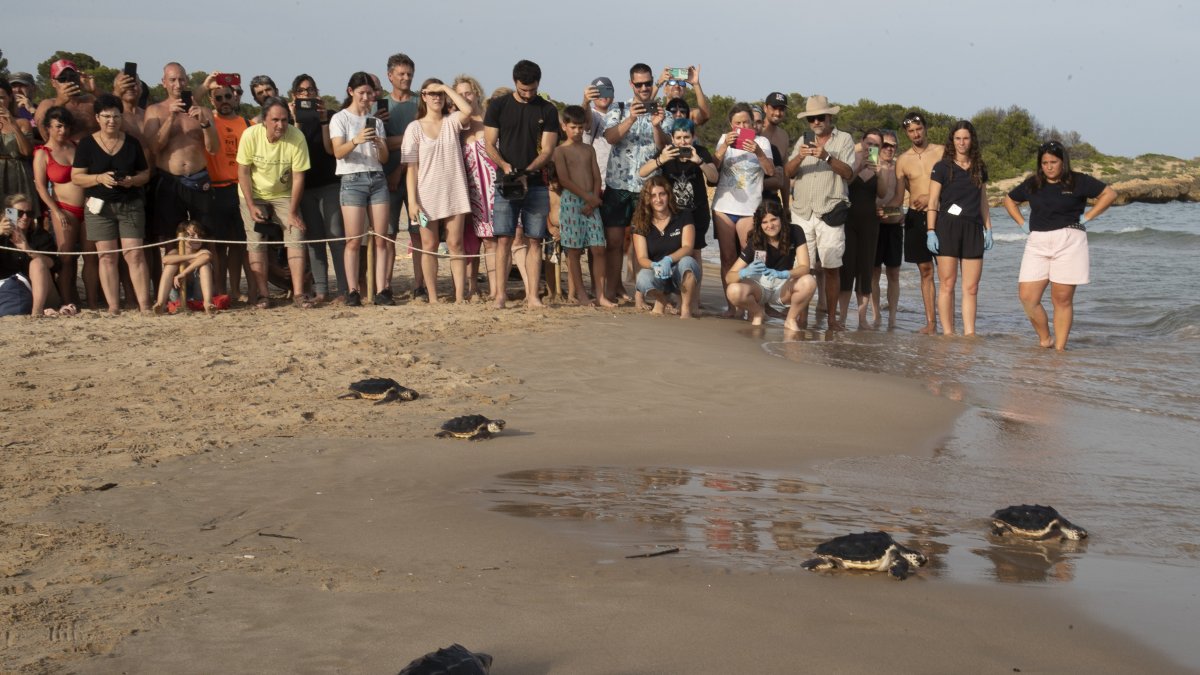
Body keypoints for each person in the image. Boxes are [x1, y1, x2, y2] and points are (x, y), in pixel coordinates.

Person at [1003, 140, 1117, 350]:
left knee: (1061, 299)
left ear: (1063, 161)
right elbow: (1009, 200)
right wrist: (1022, 223)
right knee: (1027, 297)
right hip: (1037, 242)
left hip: (1070, 241)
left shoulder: (1078, 181)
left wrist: (1089, 216)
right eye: (1044, 162)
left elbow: (1109, 194)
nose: (1049, 166)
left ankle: (1060, 351)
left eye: (1053, 162)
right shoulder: (1033, 183)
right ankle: (1045, 338)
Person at [483, 60, 559, 309]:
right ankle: (500, 295)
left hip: (536, 183)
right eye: (523, 90)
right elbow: (489, 144)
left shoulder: (547, 110)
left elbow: (548, 149)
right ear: (515, 82)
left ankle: (533, 296)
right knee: (504, 239)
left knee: (534, 239)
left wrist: (527, 172)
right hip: (506, 181)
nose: (528, 94)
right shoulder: (498, 105)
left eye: (532, 90)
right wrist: (506, 168)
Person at [70, 94, 153, 313]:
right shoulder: (87, 144)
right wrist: (99, 178)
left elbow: (145, 174)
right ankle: (113, 306)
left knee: (134, 254)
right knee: (106, 257)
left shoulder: (132, 142)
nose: (111, 121)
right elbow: (77, 177)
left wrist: (132, 181)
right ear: (97, 117)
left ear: (121, 117)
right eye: (106, 116)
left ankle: (145, 305)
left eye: (116, 116)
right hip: (99, 207)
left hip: (130, 204)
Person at [784, 95, 854, 331]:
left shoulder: (844, 139)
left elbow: (848, 173)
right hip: (802, 212)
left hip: (830, 211)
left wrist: (825, 156)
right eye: (811, 118)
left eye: (820, 117)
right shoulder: (802, 141)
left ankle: (832, 319)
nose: (816, 122)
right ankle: (800, 317)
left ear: (829, 117)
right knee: (804, 268)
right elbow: (788, 172)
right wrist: (801, 156)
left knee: (832, 267)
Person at [236, 96, 311, 309]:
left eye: (285, 120)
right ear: (264, 120)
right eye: (275, 120)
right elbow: (242, 172)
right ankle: (263, 294)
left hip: (283, 194)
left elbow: (299, 178)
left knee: (296, 234)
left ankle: (298, 294)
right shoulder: (250, 135)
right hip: (253, 193)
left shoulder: (297, 137)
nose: (280, 125)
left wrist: (293, 212)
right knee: (256, 240)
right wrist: (251, 206)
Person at [601, 63, 667, 306]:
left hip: (647, 188)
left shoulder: (663, 112)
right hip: (618, 185)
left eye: (648, 83)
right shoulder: (619, 108)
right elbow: (610, 137)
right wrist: (631, 118)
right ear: (631, 84)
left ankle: (641, 293)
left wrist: (657, 124)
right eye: (638, 84)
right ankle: (612, 290)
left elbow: (662, 147)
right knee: (615, 242)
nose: (644, 88)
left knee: (642, 243)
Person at [403, 79, 473, 304]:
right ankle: (432, 296)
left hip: (454, 190)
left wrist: (445, 89)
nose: (436, 97)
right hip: (427, 194)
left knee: (456, 244)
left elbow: (468, 110)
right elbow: (411, 168)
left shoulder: (452, 122)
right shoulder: (414, 127)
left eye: (439, 94)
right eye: (431, 93)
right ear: (423, 96)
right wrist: (412, 202)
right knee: (429, 246)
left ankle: (460, 296)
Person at [638, 118, 715, 314]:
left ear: (693, 137)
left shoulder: (701, 152)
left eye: (686, 137)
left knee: (694, 255)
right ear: (672, 138)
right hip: (670, 215)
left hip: (696, 212)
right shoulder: (667, 153)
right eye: (678, 137)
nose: (682, 142)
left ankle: (691, 302)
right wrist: (660, 160)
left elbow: (714, 177)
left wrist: (700, 162)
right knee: (668, 254)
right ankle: (666, 298)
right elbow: (642, 172)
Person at [926, 120, 991, 336]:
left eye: (966, 138)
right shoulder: (942, 167)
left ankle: (970, 334)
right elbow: (933, 202)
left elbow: (983, 201)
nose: (962, 142)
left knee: (971, 288)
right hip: (947, 228)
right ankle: (948, 334)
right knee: (947, 284)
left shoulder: (979, 167)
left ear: (972, 140)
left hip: (973, 229)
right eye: (958, 138)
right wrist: (931, 231)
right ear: (952, 141)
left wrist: (988, 229)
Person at [144, 63, 219, 245]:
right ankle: (180, 274)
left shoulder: (204, 111)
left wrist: (204, 124)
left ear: (187, 80)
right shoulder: (154, 111)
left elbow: (214, 148)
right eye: (172, 80)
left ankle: (206, 273)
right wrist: (170, 118)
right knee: (171, 240)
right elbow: (153, 147)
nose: (178, 84)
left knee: (206, 240)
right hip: (169, 182)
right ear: (164, 83)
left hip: (199, 180)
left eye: (181, 79)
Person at [712, 102, 775, 312]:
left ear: (752, 123)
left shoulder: (762, 141)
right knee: (727, 257)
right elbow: (713, 169)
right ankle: (731, 306)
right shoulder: (724, 139)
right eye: (737, 123)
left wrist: (757, 151)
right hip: (724, 206)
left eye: (745, 122)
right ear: (731, 124)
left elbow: (770, 171)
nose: (741, 126)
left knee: (751, 259)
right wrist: (723, 148)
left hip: (750, 209)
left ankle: (753, 304)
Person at [291, 74, 346, 304]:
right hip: (305, 187)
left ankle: (344, 289)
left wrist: (323, 120)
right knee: (314, 239)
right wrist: (295, 121)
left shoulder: (331, 116)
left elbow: (330, 149)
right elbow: (292, 148)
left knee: (335, 236)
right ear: (294, 96)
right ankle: (321, 290)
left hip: (330, 183)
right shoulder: (290, 122)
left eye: (311, 90)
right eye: (302, 91)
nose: (307, 95)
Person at [33, 106, 94, 308]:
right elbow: (41, 188)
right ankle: (68, 301)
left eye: (66, 126)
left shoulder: (76, 146)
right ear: (48, 127)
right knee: (67, 258)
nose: (63, 131)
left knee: (90, 256)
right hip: (63, 207)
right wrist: (56, 211)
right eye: (58, 126)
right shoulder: (43, 154)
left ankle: (93, 301)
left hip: (87, 207)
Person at [890, 111, 945, 333]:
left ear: (925, 128)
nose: (916, 134)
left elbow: (952, 184)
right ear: (906, 133)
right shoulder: (902, 161)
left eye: (918, 129)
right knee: (925, 271)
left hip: (941, 214)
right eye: (911, 131)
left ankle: (948, 322)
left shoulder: (942, 152)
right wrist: (880, 211)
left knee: (946, 273)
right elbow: (897, 198)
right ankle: (931, 322)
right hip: (915, 217)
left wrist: (931, 197)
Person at [724, 200, 817, 330]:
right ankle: (758, 313)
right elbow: (729, 277)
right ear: (760, 224)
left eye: (773, 220)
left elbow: (805, 267)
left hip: (783, 286)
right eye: (765, 222)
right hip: (759, 286)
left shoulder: (795, 231)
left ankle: (790, 319)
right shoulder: (756, 240)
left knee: (809, 281)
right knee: (733, 290)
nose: (770, 225)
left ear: (782, 218)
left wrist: (784, 274)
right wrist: (744, 272)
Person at [553, 105, 613, 308]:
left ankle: (601, 294)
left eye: (580, 127)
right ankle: (581, 293)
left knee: (598, 247)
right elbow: (564, 179)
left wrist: (594, 197)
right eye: (573, 127)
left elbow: (597, 175)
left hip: (592, 202)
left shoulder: (589, 149)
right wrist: (587, 198)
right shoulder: (560, 151)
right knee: (574, 251)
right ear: (564, 127)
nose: (577, 131)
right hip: (572, 203)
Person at [202, 78, 250, 299]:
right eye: (218, 98)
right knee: (219, 245)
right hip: (216, 189)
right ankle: (221, 290)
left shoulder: (248, 124)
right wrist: (206, 83)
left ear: (235, 97)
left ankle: (237, 289)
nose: (224, 101)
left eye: (227, 96)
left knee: (240, 244)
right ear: (212, 100)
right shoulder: (207, 120)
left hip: (241, 189)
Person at [838, 129, 890, 329]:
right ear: (862, 142)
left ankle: (862, 318)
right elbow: (845, 183)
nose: (872, 147)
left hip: (870, 223)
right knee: (846, 269)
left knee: (865, 270)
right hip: (848, 221)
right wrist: (859, 168)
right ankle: (842, 317)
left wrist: (879, 173)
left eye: (877, 144)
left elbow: (883, 193)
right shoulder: (852, 160)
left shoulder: (882, 166)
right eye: (869, 143)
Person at [631, 175, 700, 319]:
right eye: (653, 195)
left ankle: (685, 308)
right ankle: (662, 300)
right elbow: (642, 258)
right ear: (647, 199)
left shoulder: (683, 215)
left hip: (679, 272)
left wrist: (669, 259)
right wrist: (655, 265)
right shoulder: (640, 222)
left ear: (669, 195)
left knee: (688, 262)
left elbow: (688, 247)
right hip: (658, 273)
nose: (658, 199)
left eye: (662, 194)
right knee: (642, 278)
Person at [382, 54, 421, 298]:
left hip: (417, 179)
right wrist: (407, 140)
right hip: (385, 181)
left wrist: (400, 168)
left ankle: (420, 285)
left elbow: (422, 141)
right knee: (387, 234)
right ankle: (384, 285)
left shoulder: (421, 103)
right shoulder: (380, 105)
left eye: (409, 74)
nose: (406, 78)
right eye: (401, 74)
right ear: (390, 76)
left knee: (419, 233)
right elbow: (378, 142)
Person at [453, 75, 495, 301]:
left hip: (492, 189)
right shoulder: (455, 125)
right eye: (459, 95)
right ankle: (471, 286)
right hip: (466, 190)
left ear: (477, 93)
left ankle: (495, 287)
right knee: (469, 240)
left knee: (491, 239)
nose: (465, 98)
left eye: (468, 93)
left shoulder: (490, 119)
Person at [0, 193, 66, 317]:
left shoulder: (40, 235)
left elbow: (54, 264)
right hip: (7, 290)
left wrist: (28, 249)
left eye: (29, 213)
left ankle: (37, 312)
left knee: (37, 262)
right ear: (8, 213)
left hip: (42, 293)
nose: (25, 217)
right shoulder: (2, 236)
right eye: (19, 213)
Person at [871, 130, 903, 329]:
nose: (889, 149)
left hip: (893, 226)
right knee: (874, 273)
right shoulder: (871, 164)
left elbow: (901, 197)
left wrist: (889, 212)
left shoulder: (899, 168)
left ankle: (892, 317)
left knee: (893, 274)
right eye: (886, 145)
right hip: (873, 225)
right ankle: (876, 315)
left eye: (893, 146)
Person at [153, 220, 218, 315]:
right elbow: (165, 260)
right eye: (192, 235)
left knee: (205, 265)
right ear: (182, 237)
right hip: (178, 293)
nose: (197, 238)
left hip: (199, 294)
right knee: (171, 265)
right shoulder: (175, 252)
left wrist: (184, 273)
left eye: (200, 235)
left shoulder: (203, 251)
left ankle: (208, 303)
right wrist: (193, 256)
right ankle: (161, 303)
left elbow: (207, 256)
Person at [34, 60, 100, 143]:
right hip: (69, 153)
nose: (68, 81)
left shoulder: (91, 99)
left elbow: (117, 108)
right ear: (53, 83)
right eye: (62, 78)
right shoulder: (47, 104)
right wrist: (60, 103)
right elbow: (45, 135)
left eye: (73, 77)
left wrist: (95, 91)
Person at [0, 79, 35, 204]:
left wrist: (13, 125)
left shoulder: (22, 122)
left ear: (10, 98)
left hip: (18, 175)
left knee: (16, 217)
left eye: (1, 97)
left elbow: (27, 152)